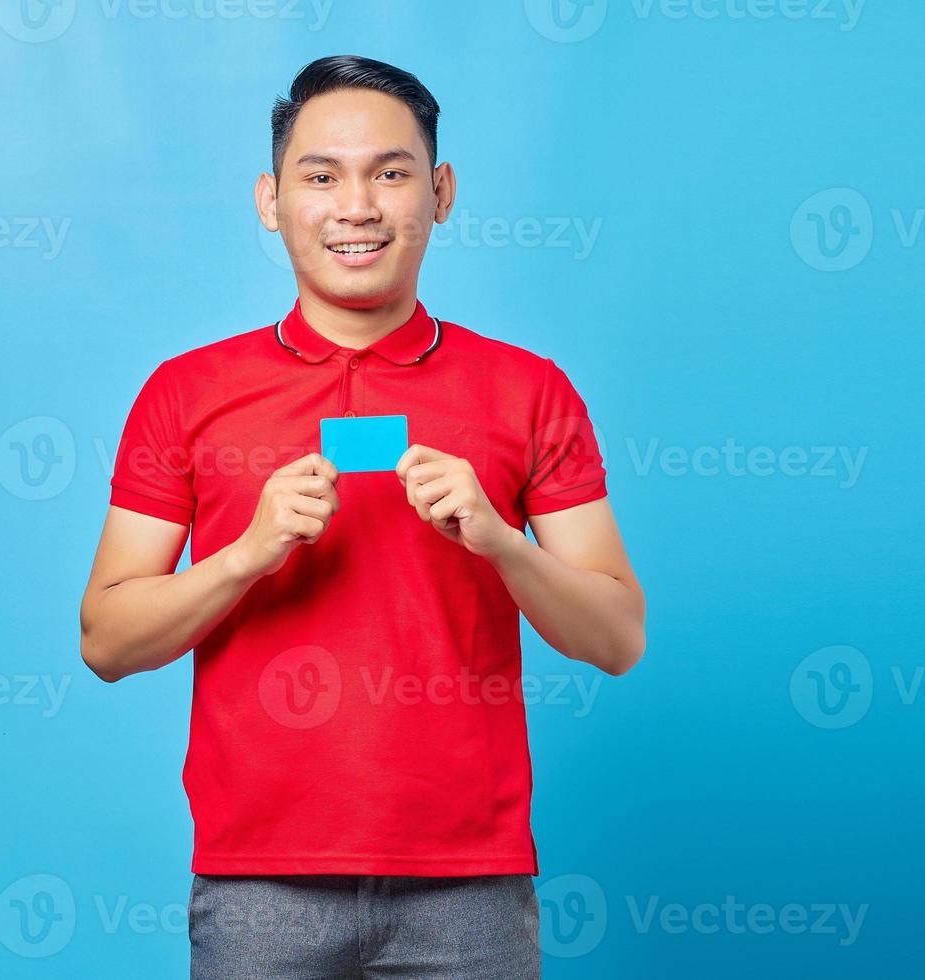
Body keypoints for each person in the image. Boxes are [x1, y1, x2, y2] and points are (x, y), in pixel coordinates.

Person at [79, 54, 646, 979]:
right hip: (260, 886)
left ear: (441, 191)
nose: (358, 206)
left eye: (391, 172)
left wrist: (502, 544)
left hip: (471, 888)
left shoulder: (530, 391)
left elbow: (619, 636)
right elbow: (106, 639)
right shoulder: (184, 394)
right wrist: (243, 556)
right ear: (272, 201)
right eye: (321, 176)